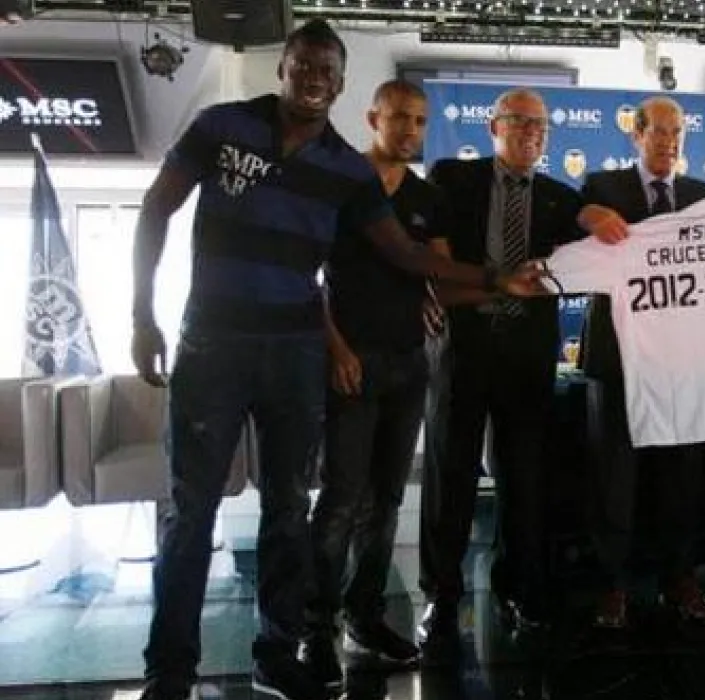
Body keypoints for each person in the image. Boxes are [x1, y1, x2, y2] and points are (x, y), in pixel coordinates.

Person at [130, 21, 540, 700]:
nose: (313, 78)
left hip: (294, 356)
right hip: (213, 345)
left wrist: (497, 279)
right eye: (303, 64)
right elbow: (155, 208)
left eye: (327, 69)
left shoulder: (346, 170)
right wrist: (141, 315)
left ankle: (277, 652)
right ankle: (169, 671)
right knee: (191, 511)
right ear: (283, 67)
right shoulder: (222, 126)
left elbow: (404, 254)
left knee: (290, 508)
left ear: (342, 83)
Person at [416, 87, 616, 659]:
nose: (532, 133)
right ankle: (442, 596)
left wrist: (595, 214)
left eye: (540, 127)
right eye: (521, 122)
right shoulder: (452, 177)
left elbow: (596, 235)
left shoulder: (558, 196)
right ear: (494, 127)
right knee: (450, 477)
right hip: (462, 347)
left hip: (527, 357)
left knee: (524, 480)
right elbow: (429, 254)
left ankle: (519, 590)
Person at [301, 80, 445, 690]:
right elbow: (305, 276)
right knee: (339, 501)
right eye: (400, 118)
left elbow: (433, 265)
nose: (410, 130)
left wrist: (434, 296)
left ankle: (364, 617)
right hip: (349, 364)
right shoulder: (337, 182)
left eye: (420, 120)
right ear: (373, 118)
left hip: (409, 365)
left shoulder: (426, 195)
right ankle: (316, 630)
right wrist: (335, 349)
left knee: (386, 502)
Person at [577, 95, 705, 630]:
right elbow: (575, 234)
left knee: (681, 477)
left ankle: (680, 579)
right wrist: (587, 216)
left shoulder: (704, 197)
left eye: (677, 131)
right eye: (659, 131)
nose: (669, 141)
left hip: (682, 361)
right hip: (617, 358)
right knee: (613, 477)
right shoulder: (601, 188)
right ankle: (611, 585)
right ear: (637, 135)